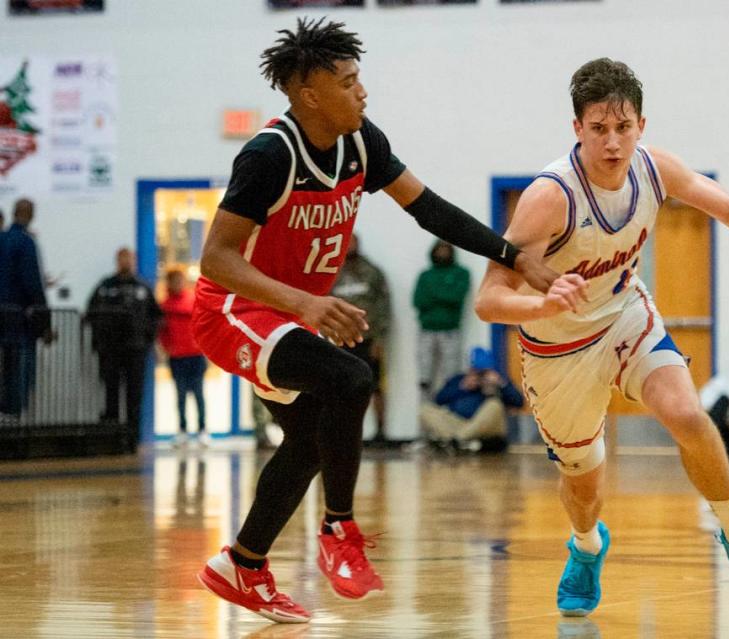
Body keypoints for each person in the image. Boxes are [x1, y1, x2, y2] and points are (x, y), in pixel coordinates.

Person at [191, 18, 556, 623]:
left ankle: (243, 564)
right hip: (236, 310)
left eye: (360, 79)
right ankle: (338, 530)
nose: (363, 92)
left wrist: (513, 257)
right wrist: (306, 303)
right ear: (309, 94)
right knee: (353, 378)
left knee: (309, 441)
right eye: (348, 81)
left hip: (287, 318)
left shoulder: (362, 143)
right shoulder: (268, 155)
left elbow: (429, 208)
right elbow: (216, 258)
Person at [475, 58, 729, 616]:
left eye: (624, 127)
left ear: (641, 124)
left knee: (687, 414)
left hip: (623, 317)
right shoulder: (550, 198)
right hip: (556, 349)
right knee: (584, 488)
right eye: (599, 129)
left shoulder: (655, 169)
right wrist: (539, 302)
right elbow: (488, 298)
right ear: (577, 129)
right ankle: (587, 548)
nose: (613, 143)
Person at [87, 247, 162, 453]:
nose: (125, 262)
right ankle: (111, 439)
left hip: (136, 350)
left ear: (134, 261)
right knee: (111, 393)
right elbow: (91, 312)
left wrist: (148, 340)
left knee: (134, 396)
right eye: (122, 259)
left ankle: (132, 439)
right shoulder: (105, 286)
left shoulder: (143, 288)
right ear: (116, 261)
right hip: (110, 350)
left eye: (128, 259)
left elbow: (156, 316)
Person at [330, 234, 391, 443]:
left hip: (367, 340)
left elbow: (384, 307)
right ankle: (340, 432)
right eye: (347, 243)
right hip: (339, 341)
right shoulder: (332, 272)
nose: (350, 247)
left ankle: (380, 432)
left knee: (375, 387)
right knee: (338, 388)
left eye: (353, 242)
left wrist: (380, 339)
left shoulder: (372, 272)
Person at [0, 198, 51, 420]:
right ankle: (14, 421)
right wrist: (45, 323)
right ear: (30, 215)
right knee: (20, 375)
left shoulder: (2, 239)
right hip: (20, 323)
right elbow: (32, 284)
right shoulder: (26, 243)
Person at [420, 346, 524, 452]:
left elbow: (519, 402)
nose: (480, 376)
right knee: (425, 410)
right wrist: (462, 387)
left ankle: (457, 441)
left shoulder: (499, 382)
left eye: (484, 372)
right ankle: (464, 442)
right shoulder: (459, 380)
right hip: (458, 424)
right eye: (477, 372)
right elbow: (438, 400)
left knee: (494, 404)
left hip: (486, 428)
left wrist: (501, 385)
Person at [413, 240, 470, 396]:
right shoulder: (425, 275)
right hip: (426, 330)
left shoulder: (461, 273)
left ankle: (450, 412)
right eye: (440, 250)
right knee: (425, 378)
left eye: (446, 250)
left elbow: (456, 297)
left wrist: (433, 293)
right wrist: (444, 295)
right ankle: (425, 414)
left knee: (451, 376)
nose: (442, 253)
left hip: (450, 330)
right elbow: (418, 301)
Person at [158, 268, 208, 448]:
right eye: (174, 281)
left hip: (196, 356)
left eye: (180, 280)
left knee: (198, 394)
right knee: (180, 396)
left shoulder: (194, 301)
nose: (178, 284)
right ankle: (182, 430)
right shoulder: (164, 306)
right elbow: (162, 331)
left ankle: (202, 430)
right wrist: (167, 347)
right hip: (177, 357)